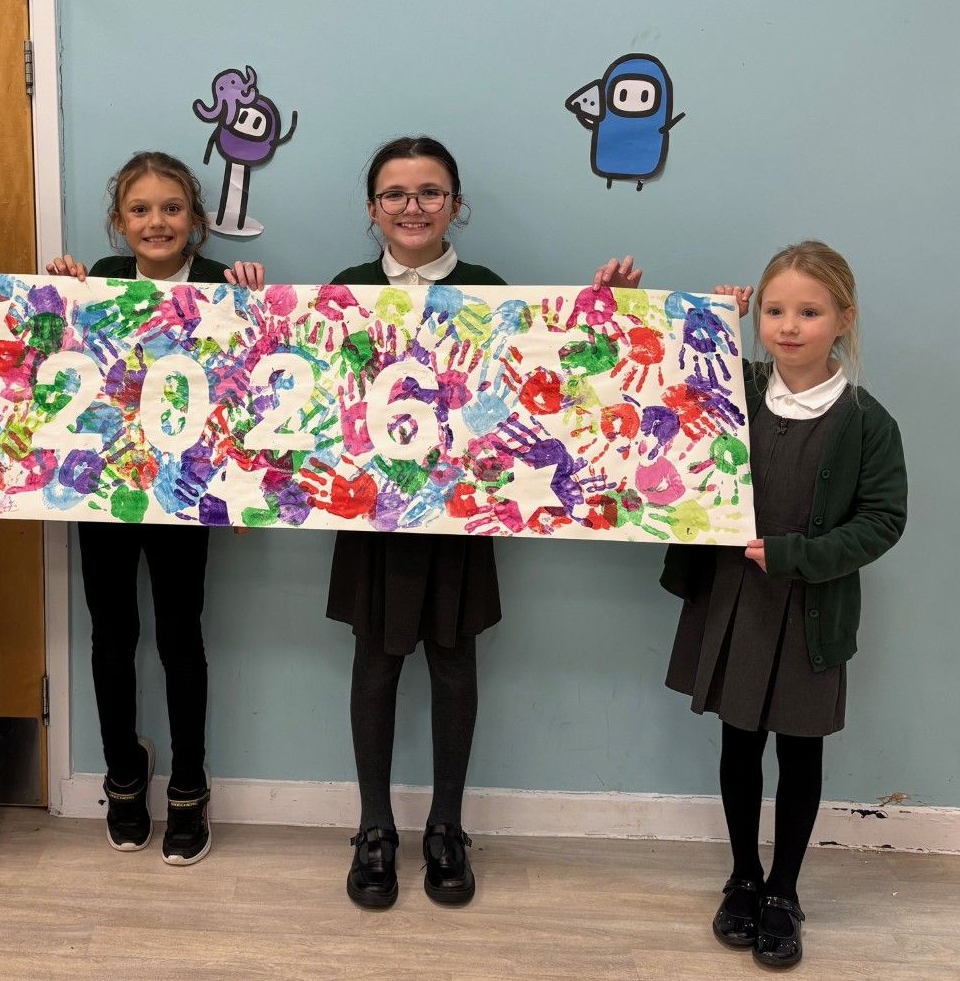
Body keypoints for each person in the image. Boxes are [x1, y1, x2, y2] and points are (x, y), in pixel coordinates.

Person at [327, 135, 641, 907]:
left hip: (463, 516)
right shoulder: (343, 288)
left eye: (429, 192)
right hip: (375, 519)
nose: (412, 207)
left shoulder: (489, 289)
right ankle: (373, 827)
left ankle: (445, 827)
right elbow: (315, 398)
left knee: (453, 660)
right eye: (395, 194)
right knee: (374, 659)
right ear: (372, 209)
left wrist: (612, 311)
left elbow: (547, 382)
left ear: (455, 204)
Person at [662, 241, 907, 967]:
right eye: (773, 310)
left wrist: (799, 555)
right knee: (738, 742)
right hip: (735, 602)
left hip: (807, 612)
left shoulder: (866, 421)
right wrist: (712, 330)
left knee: (799, 751)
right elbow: (668, 396)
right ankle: (740, 873)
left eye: (808, 310)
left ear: (843, 319)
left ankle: (782, 889)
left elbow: (882, 520)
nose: (788, 324)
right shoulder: (732, 391)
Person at [46, 150, 262, 865]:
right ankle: (123, 775)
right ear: (118, 222)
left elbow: (253, 370)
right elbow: (45, 357)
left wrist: (253, 300)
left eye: (171, 208)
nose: (156, 221)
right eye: (140, 210)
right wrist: (57, 297)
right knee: (110, 632)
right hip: (102, 490)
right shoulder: (100, 283)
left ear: (196, 222)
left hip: (183, 490)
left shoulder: (215, 286)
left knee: (179, 634)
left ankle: (190, 787)